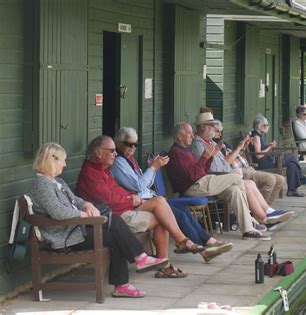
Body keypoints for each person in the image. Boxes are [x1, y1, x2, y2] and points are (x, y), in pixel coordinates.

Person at [30, 143, 168, 298]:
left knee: (116, 234)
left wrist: (87, 205)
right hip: (65, 236)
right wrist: (84, 216)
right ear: (52, 160)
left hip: (74, 229)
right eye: (63, 160)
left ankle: (124, 283)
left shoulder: (57, 182)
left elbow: (75, 199)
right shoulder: (41, 185)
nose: (65, 164)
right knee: (115, 223)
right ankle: (138, 261)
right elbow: (58, 212)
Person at [77, 135, 202, 278]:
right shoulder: (91, 173)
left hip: (124, 209)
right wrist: (132, 200)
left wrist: (135, 199)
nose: (116, 154)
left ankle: (178, 247)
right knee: (162, 218)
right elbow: (109, 201)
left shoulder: (103, 169)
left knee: (159, 201)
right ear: (99, 152)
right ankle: (173, 254)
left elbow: (118, 192)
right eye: (112, 151)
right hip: (114, 217)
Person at [109, 127, 233, 263]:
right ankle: (204, 249)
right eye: (129, 144)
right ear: (119, 144)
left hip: (151, 198)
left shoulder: (130, 160)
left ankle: (209, 242)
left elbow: (146, 184)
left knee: (184, 212)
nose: (133, 148)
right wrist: (153, 167)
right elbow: (138, 186)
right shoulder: (119, 162)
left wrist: (153, 168)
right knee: (179, 215)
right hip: (140, 202)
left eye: (135, 145)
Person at [167, 122, 273, 240]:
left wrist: (211, 156)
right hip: (193, 187)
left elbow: (202, 171)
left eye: (192, 133)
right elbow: (192, 177)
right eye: (189, 133)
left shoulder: (185, 150)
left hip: (201, 182)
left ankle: (248, 230)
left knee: (235, 191)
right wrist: (204, 157)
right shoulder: (176, 153)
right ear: (179, 136)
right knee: (237, 178)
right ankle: (251, 221)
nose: (192, 136)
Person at [189, 114, 292, 230]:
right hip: (214, 180)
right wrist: (231, 171)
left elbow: (222, 163)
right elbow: (211, 169)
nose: (215, 129)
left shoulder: (210, 142)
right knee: (245, 183)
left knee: (249, 183)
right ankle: (263, 219)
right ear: (203, 126)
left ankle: (268, 212)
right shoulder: (198, 144)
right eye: (212, 125)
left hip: (224, 176)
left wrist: (237, 153)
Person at [212, 121, 285, 206]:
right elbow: (226, 163)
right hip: (239, 172)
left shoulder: (222, 142)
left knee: (280, 179)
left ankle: (265, 211)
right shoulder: (214, 146)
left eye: (221, 132)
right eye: (217, 131)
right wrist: (239, 147)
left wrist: (243, 147)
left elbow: (235, 155)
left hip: (248, 167)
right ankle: (259, 212)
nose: (220, 134)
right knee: (270, 180)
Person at [249, 114, 306, 197]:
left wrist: (270, 147)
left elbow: (261, 151)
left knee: (292, 164)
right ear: (258, 126)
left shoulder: (258, 136)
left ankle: (292, 190)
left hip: (267, 160)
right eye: (264, 125)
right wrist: (270, 147)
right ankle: (301, 179)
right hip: (263, 163)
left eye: (267, 125)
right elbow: (258, 155)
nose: (267, 127)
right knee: (291, 157)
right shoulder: (256, 137)